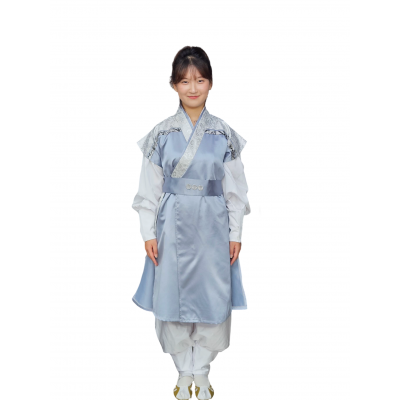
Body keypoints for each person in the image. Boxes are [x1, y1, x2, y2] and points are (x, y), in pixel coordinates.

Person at [131, 46, 251, 400]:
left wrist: (235, 233)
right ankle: (184, 371)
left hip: (213, 226)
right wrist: (148, 233)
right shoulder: (161, 134)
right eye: (185, 81)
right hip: (172, 226)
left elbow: (236, 190)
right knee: (173, 294)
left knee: (213, 295)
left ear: (210, 83)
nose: (193, 88)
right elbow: (148, 190)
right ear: (174, 85)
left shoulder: (224, 134)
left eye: (200, 80)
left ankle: (203, 369)